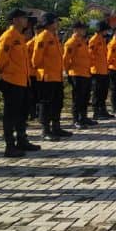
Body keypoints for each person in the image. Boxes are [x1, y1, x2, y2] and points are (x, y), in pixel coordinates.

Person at [0, 8, 41, 157]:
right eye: (23, 18)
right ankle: (10, 145)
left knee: (21, 113)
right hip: (11, 80)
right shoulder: (8, 36)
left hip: (22, 80)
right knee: (11, 114)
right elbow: (1, 60)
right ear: (15, 20)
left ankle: (22, 140)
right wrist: (5, 73)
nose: (26, 20)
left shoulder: (20, 37)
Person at [33, 13, 72, 141]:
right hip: (47, 77)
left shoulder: (54, 37)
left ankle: (56, 127)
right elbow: (36, 60)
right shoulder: (43, 37)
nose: (57, 23)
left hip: (56, 76)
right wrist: (46, 68)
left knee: (57, 102)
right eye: (55, 21)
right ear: (49, 23)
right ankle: (45, 130)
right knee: (46, 104)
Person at [63, 21, 96, 129]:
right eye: (82, 29)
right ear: (76, 29)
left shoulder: (82, 42)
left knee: (85, 97)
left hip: (85, 73)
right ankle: (76, 119)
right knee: (77, 98)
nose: (84, 30)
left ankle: (83, 117)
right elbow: (66, 59)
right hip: (76, 74)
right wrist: (68, 72)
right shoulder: (71, 42)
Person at [89, 20, 112, 119]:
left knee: (103, 92)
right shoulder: (94, 40)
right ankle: (96, 112)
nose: (107, 32)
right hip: (97, 71)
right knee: (97, 92)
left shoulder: (102, 40)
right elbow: (90, 56)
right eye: (106, 30)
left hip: (104, 70)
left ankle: (103, 110)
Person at [25, 25, 39, 121]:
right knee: (31, 96)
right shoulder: (30, 44)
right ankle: (32, 113)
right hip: (30, 73)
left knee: (38, 95)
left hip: (38, 74)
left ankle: (37, 113)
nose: (29, 35)